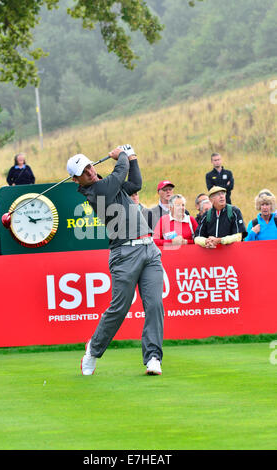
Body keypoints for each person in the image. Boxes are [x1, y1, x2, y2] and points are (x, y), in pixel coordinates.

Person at [67, 145, 164, 376]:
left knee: (154, 305)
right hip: (124, 254)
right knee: (119, 309)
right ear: (76, 180)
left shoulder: (110, 186)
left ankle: (153, 357)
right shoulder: (96, 191)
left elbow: (135, 183)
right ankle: (93, 350)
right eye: (84, 171)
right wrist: (121, 155)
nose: (90, 171)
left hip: (149, 249)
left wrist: (133, 157)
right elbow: (120, 173)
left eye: (90, 166)